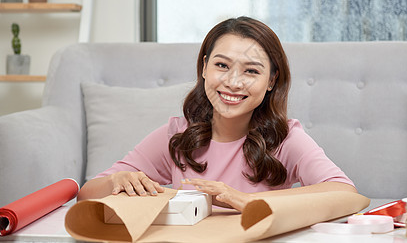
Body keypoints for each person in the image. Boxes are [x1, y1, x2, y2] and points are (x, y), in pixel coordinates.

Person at [77, 16, 356, 211]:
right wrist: (116, 181)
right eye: (222, 66)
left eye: (251, 71)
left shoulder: (285, 139)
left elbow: (345, 192)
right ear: (204, 67)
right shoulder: (177, 136)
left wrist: (245, 200)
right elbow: (86, 194)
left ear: (271, 81)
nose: (233, 82)